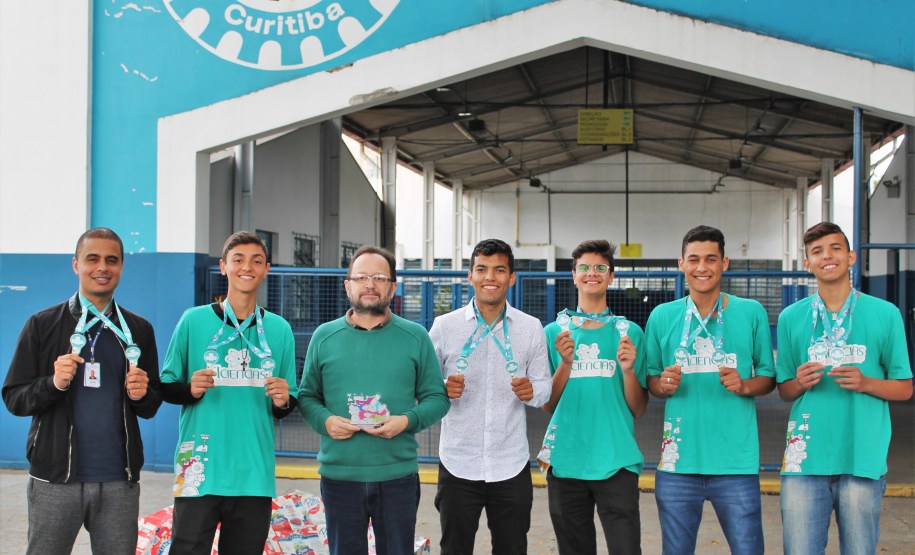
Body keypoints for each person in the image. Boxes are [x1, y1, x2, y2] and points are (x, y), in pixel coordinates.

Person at [2, 227, 162, 555]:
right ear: (76, 264)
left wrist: (141, 394)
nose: (102, 267)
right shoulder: (42, 325)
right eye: (93, 259)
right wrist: (53, 383)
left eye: (111, 260)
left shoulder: (139, 330)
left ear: (120, 268)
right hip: (55, 480)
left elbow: (150, 405)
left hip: (120, 481)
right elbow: (14, 397)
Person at [298, 245, 450, 555]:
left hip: (398, 477)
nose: (370, 284)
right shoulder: (324, 337)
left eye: (379, 277)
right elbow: (307, 397)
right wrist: (325, 421)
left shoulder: (415, 336)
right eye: (362, 276)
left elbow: (437, 398)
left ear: (393, 286)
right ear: (347, 285)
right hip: (341, 476)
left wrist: (406, 421)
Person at [775, 221, 913, 554]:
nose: (828, 257)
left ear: (851, 257)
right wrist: (800, 382)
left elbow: (905, 388)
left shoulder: (885, 313)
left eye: (836, 248)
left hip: (861, 456)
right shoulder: (791, 317)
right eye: (817, 252)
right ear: (807, 264)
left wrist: (866, 383)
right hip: (805, 460)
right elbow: (785, 390)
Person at [160, 231, 298, 555]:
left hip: (253, 473)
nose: (246, 267)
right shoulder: (192, 321)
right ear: (223, 266)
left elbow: (289, 397)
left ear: (266, 269)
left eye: (256, 261)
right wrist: (189, 389)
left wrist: (282, 401)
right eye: (237, 260)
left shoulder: (279, 329)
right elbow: (165, 385)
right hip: (199, 469)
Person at [644, 225, 775, 555]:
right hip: (677, 464)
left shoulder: (751, 312)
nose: (702, 267)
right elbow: (652, 382)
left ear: (725, 263)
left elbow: (770, 377)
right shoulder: (662, 316)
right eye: (694, 259)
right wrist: (663, 385)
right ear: (681, 263)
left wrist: (745, 385)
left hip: (736, 463)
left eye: (710, 259)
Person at [429, 238, 551, 554]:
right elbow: (422, 385)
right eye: (482, 269)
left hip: (510, 463)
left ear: (511, 277)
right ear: (470, 275)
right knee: (454, 548)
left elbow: (543, 387)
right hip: (458, 462)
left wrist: (532, 391)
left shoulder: (530, 327)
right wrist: (441, 388)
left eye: (499, 270)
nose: (490, 277)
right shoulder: (444, 327)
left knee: (512, 548)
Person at [540, 239, 648, 555]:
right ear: (573, 275)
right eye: (584, 267)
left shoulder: (629, 333)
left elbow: (639, 408)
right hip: (566, 460)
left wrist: (628, 370)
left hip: (617, 460)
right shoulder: (553, 333)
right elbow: (548, 405)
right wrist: (566, 364)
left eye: (601, 268)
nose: (592, 273)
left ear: (611, 277)